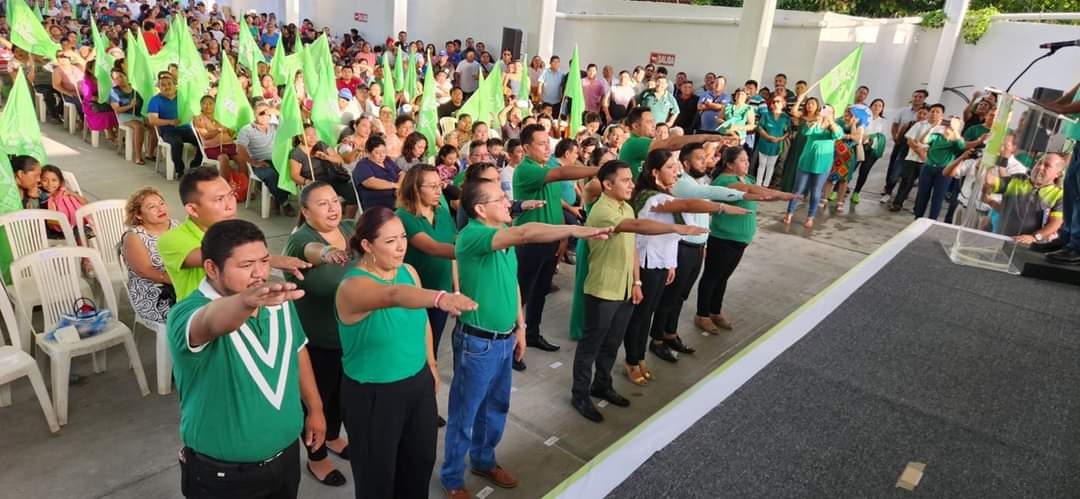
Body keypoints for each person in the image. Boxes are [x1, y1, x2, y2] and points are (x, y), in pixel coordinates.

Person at [439, 177, 608, 498]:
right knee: (466, 412)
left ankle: (484, 460)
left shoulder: (501, 242)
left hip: (503, 339)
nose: (508, 202)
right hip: (478, 343)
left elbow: (512, 285)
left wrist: (520, 328)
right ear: (479, 209)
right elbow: (526, 232)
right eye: (500, 199)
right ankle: (451, 478)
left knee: (497, 406)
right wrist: (574, 229)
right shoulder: (473, 236)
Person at [166, 219, 324, 499]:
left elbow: (297, 350)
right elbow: (211, 323)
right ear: (212, 268)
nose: (259, 273)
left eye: (264, 261)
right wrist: (246, 301)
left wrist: (315, 408)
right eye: (245, 265)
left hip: (286, 459)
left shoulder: (276, 299)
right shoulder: (187, 313)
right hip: (224, 477)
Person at [335, 206, 477, 499]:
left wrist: (432, 365)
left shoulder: (409, 271)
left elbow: (420, 320)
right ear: (366, 245)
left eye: (402, 237)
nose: (401, 246)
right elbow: (393, 296)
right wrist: (440, 297)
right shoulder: (352, 287)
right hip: (374, 395)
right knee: (377, 477)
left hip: (417, 384)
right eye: (390, 241)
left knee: (420, 463)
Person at [572, 159, 704, 422]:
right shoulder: (602, 211)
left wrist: (636, 282)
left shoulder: (626, 207)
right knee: (591, 346)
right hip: (603, 289)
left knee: (612, 343)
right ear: (607, 184)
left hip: (624, 288)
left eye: (631, 179)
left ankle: (602, 384)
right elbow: (636, 228)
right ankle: (580, 395)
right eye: (625, 180)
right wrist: (675, 227)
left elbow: (632, 246)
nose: (631, 183)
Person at [622, 150, 747, 383]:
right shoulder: (652, 198)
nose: (676, 171)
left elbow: (668, 234)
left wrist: (670, 264)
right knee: (640, 316)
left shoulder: (663, 193)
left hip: (661, 261)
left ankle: (639, 358)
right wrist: (722, 208)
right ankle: (631, 360)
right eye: (670, 167)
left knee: (648, 312)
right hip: (647, 263)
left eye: (676, 166)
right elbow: (688, 203)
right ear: (655, 172)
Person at [282, 182, 355, 488]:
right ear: (306, 211)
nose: (332, 208)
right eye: (322, 204)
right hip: (318, 341)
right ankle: (317, 457)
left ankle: (335, 438)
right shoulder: (300, 240)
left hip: (351, 337)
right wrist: (328, 252)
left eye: (334, 201)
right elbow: (312, 252)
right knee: (316, 403)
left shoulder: (351, 228)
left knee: (342, 396)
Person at [159, 167, 310, 301]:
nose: (230, 205)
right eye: (219, 199)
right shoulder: (172, 239)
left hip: (244, 308)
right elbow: (217, 256)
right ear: (192, 209)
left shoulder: (237, 231)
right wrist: (273, 260)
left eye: (231, 195)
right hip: (203, 320)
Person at [512, 124, 600, 353]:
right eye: (540, 144)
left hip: (550, 239)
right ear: (526, 147)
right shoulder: (527, 170)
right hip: (530, 242)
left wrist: (561, 234)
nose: (546, 148)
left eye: (547, 143)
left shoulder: (547, 165)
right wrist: (598, 170)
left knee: (540, 290)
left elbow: (556, 200)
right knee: (522, 294)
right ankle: (513, 343)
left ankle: (532, 334)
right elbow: (561, 173)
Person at [694, 147, 774, 335]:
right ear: (730, 164)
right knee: (712, 277)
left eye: (747, 159)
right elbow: (746, 191)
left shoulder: (748, 179)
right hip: (723, 239)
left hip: (741, 239)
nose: (747, 163)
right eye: (742, 160)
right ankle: (702, 314)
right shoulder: (725, 181)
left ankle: (715, 311)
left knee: (723, 277)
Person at [395, 164, 457, 359]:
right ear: (415, 188)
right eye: (431, 186)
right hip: (416, 292)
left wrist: (456, 288)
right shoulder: (404, 217)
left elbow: (451, 253)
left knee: (433, 344)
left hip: (441, 289)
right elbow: (433, 248)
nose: (438, 191)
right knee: (414, 344)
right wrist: (474, 251)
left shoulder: (442, 213)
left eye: (439, 185)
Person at [1032, 80, 1080, 264]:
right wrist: (1055, 105)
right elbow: (1072, 94)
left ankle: (1077, 247)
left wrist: (1061, 109)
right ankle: (1066, 239)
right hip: (1077, 139)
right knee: (1071, 193)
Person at [619, 107, 729, 180]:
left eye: (653, 121)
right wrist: (705, 137)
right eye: (649, 122)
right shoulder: (635, 143)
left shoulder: (640, 142)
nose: (654, 125)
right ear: (635, 126)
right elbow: (671, 143)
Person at [121, 187, 179, 324]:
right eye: (152, 207)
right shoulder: (134, 237)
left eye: (162, 203)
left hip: (180, 283)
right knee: (196, 311)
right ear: (139, 215)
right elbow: (145, 271)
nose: (160, 209)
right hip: (154, 292)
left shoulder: (177, 226)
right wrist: (179, 280)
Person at [783, 103, 843, 228]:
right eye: (823, 110)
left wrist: (830, 122)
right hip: (806, 161)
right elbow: (806, 131)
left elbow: (838, 136)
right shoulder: (813, 123)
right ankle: (789, 212)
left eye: (829, 111)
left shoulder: (835, 127)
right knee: (798, 189)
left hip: (822, 164)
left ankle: (810, 216)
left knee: (816, 191)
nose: (825, 113)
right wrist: (817, 120)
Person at [983, 154, 1066, 241]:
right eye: (1039, 163)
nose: (1040, 167)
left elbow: (1056, 223)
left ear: (1058, 174)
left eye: (1047, 166)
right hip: (1000, 238)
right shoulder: (1017, 179)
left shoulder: (1059, 194)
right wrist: (988, 165)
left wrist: (1034, 237)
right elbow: (990, 181)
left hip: (1027, 246)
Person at [288, 125, 358, 218]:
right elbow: (294, 175)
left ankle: (348, 222)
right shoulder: (296, 153)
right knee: (323, 200)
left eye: (314, 134)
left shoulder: (321, 145)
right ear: (300, 137)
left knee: (353, 194)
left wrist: (327, 157)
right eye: (308, 135)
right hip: (315, 181)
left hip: (334, 177)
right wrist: (308, 182)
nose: (313, 137)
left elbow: (340, 160)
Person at [148, 72, 203, 177]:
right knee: (176, 143)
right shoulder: (155, 100)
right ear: (159, 87)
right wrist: (170, 122)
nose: (167, 87)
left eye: (169, 84)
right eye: (163, 85)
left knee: (202, 140)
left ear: (174, 85)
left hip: (186, 128)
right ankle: (180, 170)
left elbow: (194, 111)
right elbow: (152, 120)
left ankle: (195, 165)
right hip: (168, 130)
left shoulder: (183, 97)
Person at [890, 104, 942, 212]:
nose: (934, 114)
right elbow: (910, 140)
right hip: (913, 158)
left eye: (937, 112)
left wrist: (926, 154)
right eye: (932, 111)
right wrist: (920, 151)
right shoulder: (919, 124)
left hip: (928, 160)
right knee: (906, 182)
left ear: (942, 115)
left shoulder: (942, 130)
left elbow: (939, 146)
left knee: (923, 186)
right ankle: (897, 203)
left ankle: (918, 208)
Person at [913, 116, 966, 220]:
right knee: (922, 194)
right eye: (947, 123)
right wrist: (933, 127)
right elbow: (923, 140)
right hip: (928, 168)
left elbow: (961, 147)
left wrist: (955, 129)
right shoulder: (937, 136)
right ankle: (918, 216)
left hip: (944, 171)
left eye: (950, 124)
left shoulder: (957, 141)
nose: (948, 126)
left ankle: (932, 219)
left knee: (938, 196)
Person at [882, 89, 928, 204]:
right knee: (894, 170)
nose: (917, 99)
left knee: (909, 177)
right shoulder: (904, 112)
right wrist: (895, 138)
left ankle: (900, 198)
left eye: (920, 97)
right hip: (902, 147)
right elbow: (896, 126)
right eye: (915, 96)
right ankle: (888, 190)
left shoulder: (928, 120)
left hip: (917, 152)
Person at [851, 98, 888, 204]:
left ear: (882, 109)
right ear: (870, 106)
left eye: (880, 106)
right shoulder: (864, 117)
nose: (877, 107)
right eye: (875, 105)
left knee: (864, 171)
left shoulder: (883, 121)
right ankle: (837, 190)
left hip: (872, 149)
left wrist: (870, 137)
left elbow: (883, 137)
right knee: (851, 168)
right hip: (859, 145)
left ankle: (856, 193)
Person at [193, 95, 239, 180]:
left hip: (229, 145)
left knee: (241, 157)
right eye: (205, 104)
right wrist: (218, 130)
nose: (208, 106)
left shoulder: (221, 117)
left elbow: (232, 134)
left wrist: (230, 126)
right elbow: (206, 136)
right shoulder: (198, 119)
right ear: (201, 106)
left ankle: (244, 183)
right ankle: (225, 186)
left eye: (210, 103)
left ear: (215, 105)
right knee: (224, 158)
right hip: (212, 147)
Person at [352, 135, 402, 211]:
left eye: (384, 152)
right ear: (368, 153)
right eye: (377, 153)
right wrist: (394, 185)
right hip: (379, 206)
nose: (382, 155)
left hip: (398, 200)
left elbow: (402, 173)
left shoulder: (387, 160)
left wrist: (399, 187)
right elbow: (370, 182)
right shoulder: (363, 165)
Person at [110, 68, 148, 165]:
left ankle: (150, 153)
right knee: (139, 127)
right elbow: (117, 110)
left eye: (121, 76)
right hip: (125, 116)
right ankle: (138, 156)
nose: (119, 79)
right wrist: (130, 106)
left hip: (139, 115)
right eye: (116, 78)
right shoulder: (114, 92)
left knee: (155, 126)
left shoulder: (135, 89)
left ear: (126, 76)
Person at [79, 60, 119, 145]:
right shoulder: (86, 81)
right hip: (91, 105)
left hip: (104, 102)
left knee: (116, 112)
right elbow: (87, 96)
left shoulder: (103, 78)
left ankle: (119, 135)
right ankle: (111, 135)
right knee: (106, 114)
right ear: (90, 70)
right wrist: (99, 99)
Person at [755, 94, 790, 187]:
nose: (775, 103)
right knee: (762, 164)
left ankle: (766, 185)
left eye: (778, 101)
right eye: (773, 101)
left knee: (771, 166)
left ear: (783, 104)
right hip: (765, 142)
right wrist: (768, 137)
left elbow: (788, 131)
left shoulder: (785, 117)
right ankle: (758, 185)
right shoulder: (766, 115)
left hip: (777, 144)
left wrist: (780, 139)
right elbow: (760, 127)